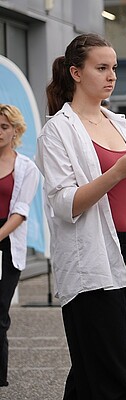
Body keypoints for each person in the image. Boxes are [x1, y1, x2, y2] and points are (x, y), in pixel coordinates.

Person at [36, 33, 126, 399]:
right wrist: (116, 172)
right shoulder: (57, 130)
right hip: (90, 255)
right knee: (111, 369)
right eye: (101, 67)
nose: (111, 76)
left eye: (114, 68)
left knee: (95, 367)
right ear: (75, 72)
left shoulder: (120, 123)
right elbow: (64, 203)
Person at [0, 104, 40, 387]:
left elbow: (21, 211)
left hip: (6, 246)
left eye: (4, 126)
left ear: (15, 130)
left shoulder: (26, 167)